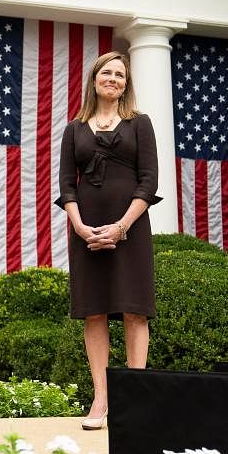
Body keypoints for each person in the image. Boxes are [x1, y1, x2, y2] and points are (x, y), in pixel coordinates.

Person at [55, 50, 161, 431]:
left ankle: (133, 397)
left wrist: (122, 226)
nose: (113, 79)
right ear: (95, 80)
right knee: (95, 311)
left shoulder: (140, 124)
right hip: (87, 230)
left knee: (134, 310)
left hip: (130, 229)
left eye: (120, 74)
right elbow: (67, 185)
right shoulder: (75, 129)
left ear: (125, 84)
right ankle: (101, 398)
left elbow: (149, 181)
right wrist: (81, 227)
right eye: (107, 73)